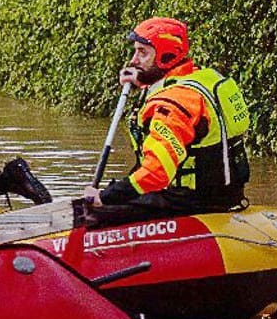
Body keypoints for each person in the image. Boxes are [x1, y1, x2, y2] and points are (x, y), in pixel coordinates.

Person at [83, 16, 250, 221]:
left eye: (142, 53)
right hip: (224, 191)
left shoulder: (173, 105)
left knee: (98, 210)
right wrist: (140, 78)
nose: (134, 60)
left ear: (166, 56)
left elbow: (156, 173)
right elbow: (169, 82)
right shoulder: (202, 77)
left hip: (190, 200)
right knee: (120, 191)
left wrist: (105, 197)